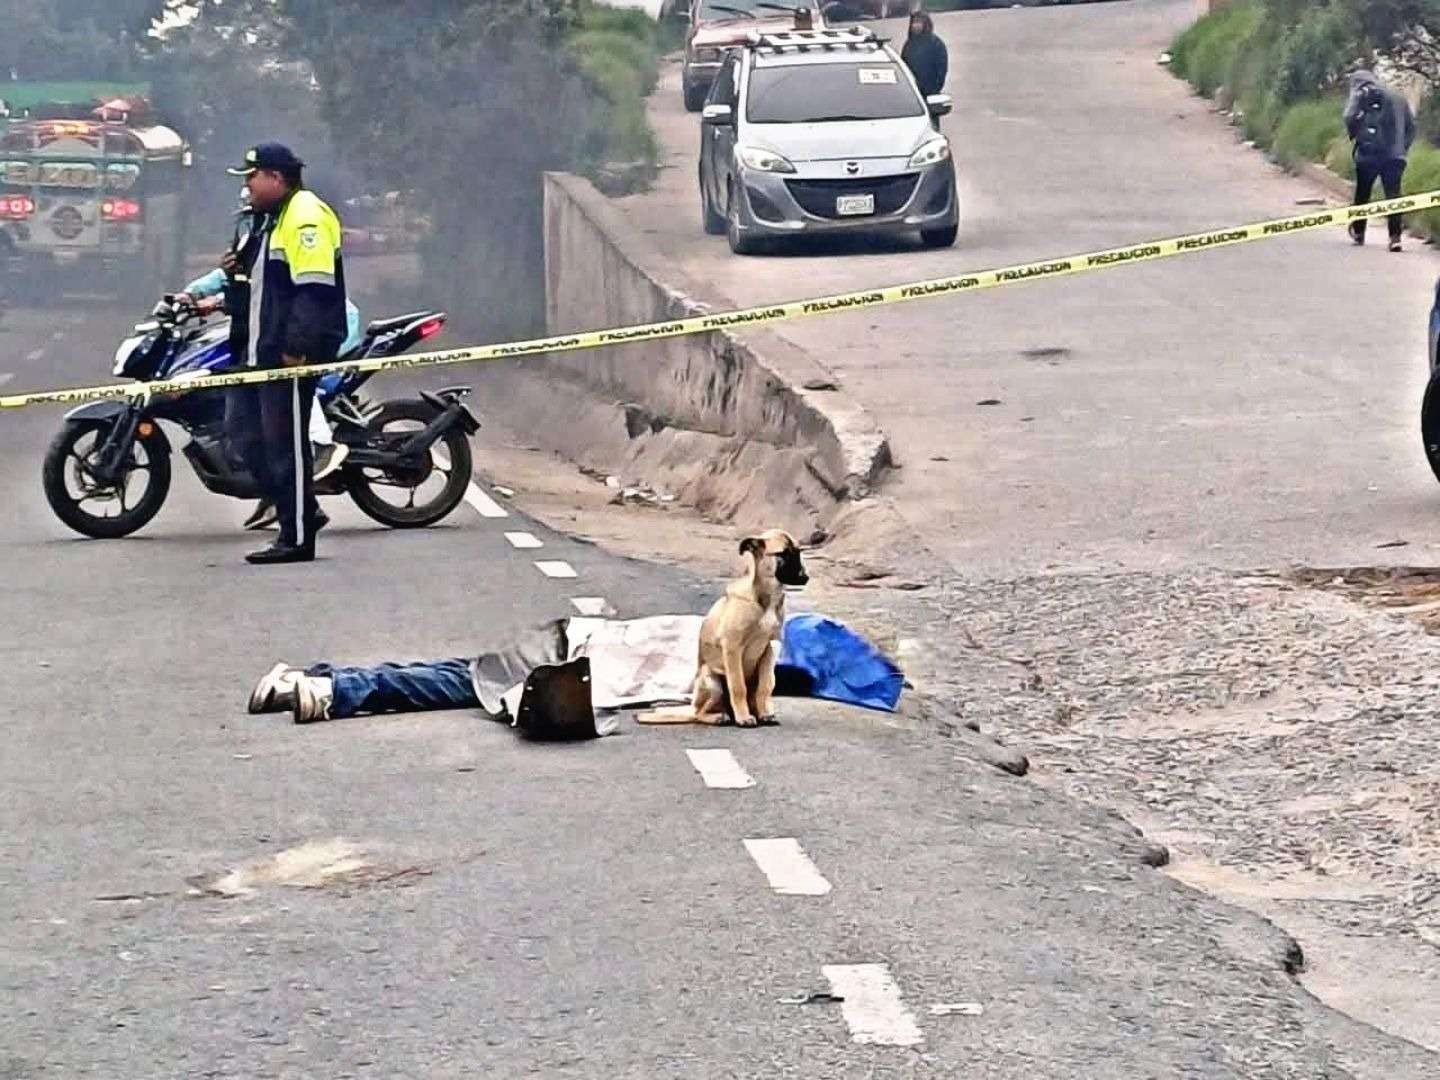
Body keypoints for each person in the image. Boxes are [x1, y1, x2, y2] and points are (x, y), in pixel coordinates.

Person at [223, 144, 348, 564]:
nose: (247, 185)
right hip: (259, 351)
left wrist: (297, 348)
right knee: (242, 434)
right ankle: (304, 512)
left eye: (252, 176)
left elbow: (313, 290)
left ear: (276, 178)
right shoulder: (271, 221)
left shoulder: (305, 216)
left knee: (286, 445)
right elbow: (263, 289)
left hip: (289, 355)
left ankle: (296, 537)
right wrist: (234, 273)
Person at [181, 259, 363, 530]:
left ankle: (322, 444)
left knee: (297, 377)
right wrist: (190, 294)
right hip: (284, 326)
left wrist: (219, 302)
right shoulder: (252, 239)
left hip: (327, 323)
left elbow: (272, 289)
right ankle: (283, 500)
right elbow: (225, 275)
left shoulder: (279, 239)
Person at [1344, 70, 1416, 252]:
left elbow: (1349, 117)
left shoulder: (1361, 95)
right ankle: (1395, 238)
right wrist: (1402, 147)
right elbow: (1411, 127)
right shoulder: (1399, 98)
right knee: (1393, 195)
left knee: (1362, 194)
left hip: (1368, 154)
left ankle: (1359, 232)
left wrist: (1355, 136)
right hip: (1395, 155)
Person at [901, 10, 948, 105]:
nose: (915, 25)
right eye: (913, 22)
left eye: (918, 22)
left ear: (925, 24)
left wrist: (933, 90)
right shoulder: (909, 44)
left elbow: (941, 69)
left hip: (930, 93)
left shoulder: (936, 44)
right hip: (912, 93)